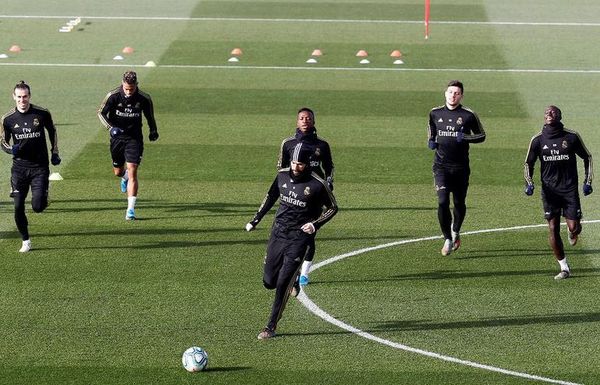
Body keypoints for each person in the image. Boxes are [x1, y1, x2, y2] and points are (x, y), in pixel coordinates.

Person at [245, 143, 338, 340]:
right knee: (268, 281)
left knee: (282, 284)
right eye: (294, 163)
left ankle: (270, 326)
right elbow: (270, 196)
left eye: (301, 164)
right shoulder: (282, 175)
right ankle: (291, 278)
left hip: (299, 239)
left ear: (308, 164)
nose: (296, 167)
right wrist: (255, 219)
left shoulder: (317, 184)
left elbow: (332, 208)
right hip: (278, 234)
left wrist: (315, 224)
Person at [524, 105, 593, 280]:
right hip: (549, 192)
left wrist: (587, 181)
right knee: (553, 228)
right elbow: (528, 164)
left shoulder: (571, 137)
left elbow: (587, 157)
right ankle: (564, 267)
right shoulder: (537, 140)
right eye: (546, 112)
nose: (549, 114)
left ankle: (573, 232)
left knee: (574, 227)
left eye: (553, 112)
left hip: (569, 190)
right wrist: (529, 183)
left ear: (560, 115)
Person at [276, 107, 334, 286]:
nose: (305, 121)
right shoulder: (288, 144)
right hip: (293, 195)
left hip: (314, 196)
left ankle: (304, 273)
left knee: (308, 232)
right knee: (287, 232)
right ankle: (284, 264)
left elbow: (329, 167)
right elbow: (281, 168)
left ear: (314, 121)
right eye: (302, 118)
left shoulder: (322, 145)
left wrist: (328, 183)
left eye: (308, 118)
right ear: (297, 121)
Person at [1, 81, 61, 252]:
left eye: (25, 96)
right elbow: (2, 141)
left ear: (29, 96)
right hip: (19, 168)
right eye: (19, 97)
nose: (22, 100)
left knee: (37, 207)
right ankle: (26, 240)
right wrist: (10, 149)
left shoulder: (41, 113)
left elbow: (52, 131)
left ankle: (44, 196)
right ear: (14, 97)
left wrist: (55, 152)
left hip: (39, 167)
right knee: (18, 206)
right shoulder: (8, 119)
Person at [427, 80, 486, 256]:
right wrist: (430, 140)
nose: (453, 95)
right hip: (441, 167)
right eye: (450, 92)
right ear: (445, 93)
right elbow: (431, 130)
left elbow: (482, 135)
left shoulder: (468, 115)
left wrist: (465, 138)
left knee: (459, 203)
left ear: (461, 95)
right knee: (443, 202)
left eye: (457, 93)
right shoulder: (435, 113)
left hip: (460, 168)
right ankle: (447, 238)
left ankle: (456, 230)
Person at [98, 71, 159, 220]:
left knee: (133, 170)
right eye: (126, 89)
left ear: (136, 85)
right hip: (117, 139)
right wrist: (111, 128)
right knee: (118, 172)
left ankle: (130, 210)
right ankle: (123, 177)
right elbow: (100, 113)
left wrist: (153, 130)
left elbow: (150, 116)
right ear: (122, 84)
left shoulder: (144, 98)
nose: (128, 92)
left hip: (134, 139)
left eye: (131, 89)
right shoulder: (113, 96)